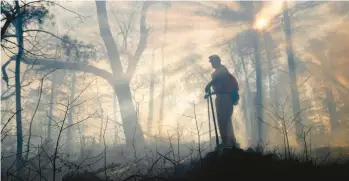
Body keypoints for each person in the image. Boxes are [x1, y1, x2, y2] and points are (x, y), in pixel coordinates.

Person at [205, 55, 239, 148]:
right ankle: (227, 142)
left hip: (224, 98)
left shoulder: (222, 69)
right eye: (211, 62)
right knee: (222, 121)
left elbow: (220, 79)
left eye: (213, 62)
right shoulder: (217, 71)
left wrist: (209, 84)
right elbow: (219, 87)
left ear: (218, 61)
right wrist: (210, 93)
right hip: (221, 97)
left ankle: (229, 143)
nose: (212, 64)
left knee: (224, 120)